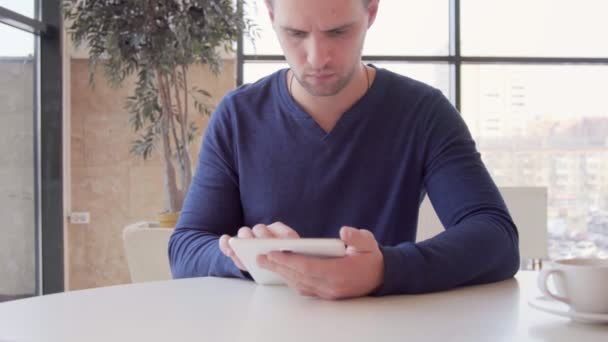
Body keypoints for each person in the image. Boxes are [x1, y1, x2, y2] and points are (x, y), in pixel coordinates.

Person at [168, 0, 519, 299]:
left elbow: (496, 238)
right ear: (272, 15)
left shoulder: (423, 113)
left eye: (338, 32)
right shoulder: (238, 116)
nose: (317, 58)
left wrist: (384, 270)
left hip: (384, 328)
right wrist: (247, 258)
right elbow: (184, 248)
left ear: (372, 11)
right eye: (296, 34)